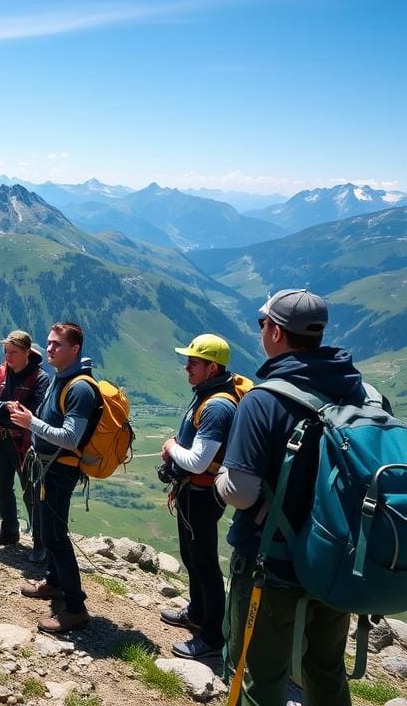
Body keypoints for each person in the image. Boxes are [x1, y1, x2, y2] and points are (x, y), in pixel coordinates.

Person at [216, 289, 364, 705]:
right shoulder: (360, 393)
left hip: (272, 562)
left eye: (262, 323)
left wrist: (224, 474)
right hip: (336, 559)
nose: (261, 331)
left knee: (258, 674)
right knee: (325, 668)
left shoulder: (264, 400)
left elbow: (241, 494)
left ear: (277, 333)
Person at [9, 322, 94, 633]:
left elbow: (71, 437)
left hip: (61, 469)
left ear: (75, 349)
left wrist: (31, 423)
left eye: (58, 344)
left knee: (55, 537)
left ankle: (75, 607)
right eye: (49, 342)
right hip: (49, 467)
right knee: (47, 531)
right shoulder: (62, 379)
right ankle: (55, 583)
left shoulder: (80, 388)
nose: (50, 348)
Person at [158, 334, 237, 660]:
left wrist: (171, 447)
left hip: (202, 493)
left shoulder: (217, 405)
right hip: (195, 491)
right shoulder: (209, 393)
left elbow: (199, 462)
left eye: (193, 362)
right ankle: (198, 612)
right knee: (193, 558)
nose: (186, 366)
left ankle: (213, 637)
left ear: (212, 367)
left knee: (203, 562)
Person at [0, 330, 49, 557]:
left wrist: (4, 409)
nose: (7, 356)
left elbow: (37, 412)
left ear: (27, 352)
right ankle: (9, 530)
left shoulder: (40, 379)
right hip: (1, 440)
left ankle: (41, 544)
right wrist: (6, 406)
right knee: (0, 484)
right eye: (6, 351)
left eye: (13, 352)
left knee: (31, 492)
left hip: (27, 445)